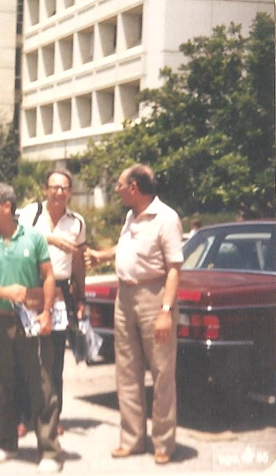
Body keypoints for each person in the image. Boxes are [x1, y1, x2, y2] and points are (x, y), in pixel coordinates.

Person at [85, 164, 183, 465]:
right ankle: (132, 439)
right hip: (124, 297)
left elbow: (174, 269)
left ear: (134, 188)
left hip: (154, 297)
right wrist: (103, 255)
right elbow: (130, 247)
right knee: (127, 370)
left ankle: (163, 443)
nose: (116, 189)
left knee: (162, 372)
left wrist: (165, 311)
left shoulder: (166, 219)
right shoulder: (132, 216)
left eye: (119, 184)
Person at [0, 182, 62, 474]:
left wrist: (46, 313)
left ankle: (48, 450)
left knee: (41, 384)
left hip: (31, 320)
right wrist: (4, 292)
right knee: (1, 384)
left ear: (7, 206)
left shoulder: (33, 238)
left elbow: (48, 277)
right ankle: (6, 443)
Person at [18, 170, 86, 435]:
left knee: (54, 359)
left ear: (70, 191)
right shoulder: (31, 213)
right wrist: (52, 239)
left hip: (59, 293)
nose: (59, 192)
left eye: (65, 188)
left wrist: (81, 296)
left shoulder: (77, 222)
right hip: (31, 288)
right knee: (26, 356)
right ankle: (24, 417)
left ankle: (51, 417)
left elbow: (79, 263)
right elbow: (18, 234)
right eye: (55, 187)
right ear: (45, 188)